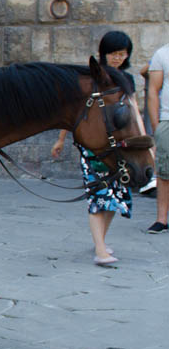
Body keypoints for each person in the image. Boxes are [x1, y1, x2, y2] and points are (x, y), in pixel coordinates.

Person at [51, 31, 144, 263]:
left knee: (116, 195)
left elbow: (134, 112)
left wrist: (142, 140)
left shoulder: (127, 80)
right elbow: (75, 112)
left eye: (122, 54)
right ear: (104, 54)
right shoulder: (92, 79)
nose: (117, 58)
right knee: (98, 194)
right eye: (113, 53)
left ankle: (100, 241)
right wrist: (62, 139)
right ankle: (100, 248)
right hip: (94, 146)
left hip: (119, 146)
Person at [147, 41, 169, 234]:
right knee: (164, 172)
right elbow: (153, 90)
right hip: (168, 119)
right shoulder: (162, 54)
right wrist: (157, 125)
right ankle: (161, 220)